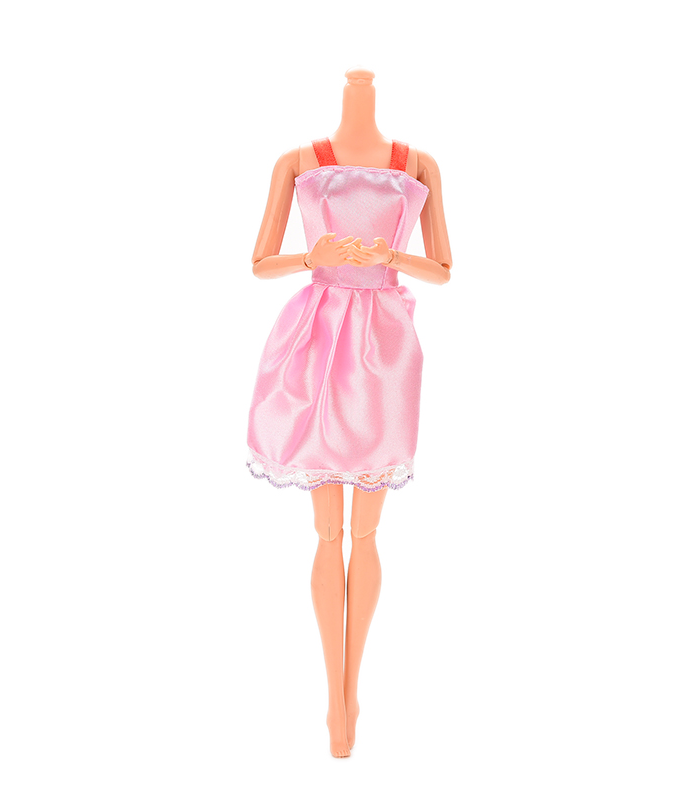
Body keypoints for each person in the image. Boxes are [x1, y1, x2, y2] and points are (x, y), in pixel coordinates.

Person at [247, 67, 452, 757]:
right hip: (316, 334)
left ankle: (349, 691)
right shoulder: (299, 161)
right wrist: (314, 256)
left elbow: (444, 267)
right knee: (326, 531)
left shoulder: (417, 164)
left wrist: (393, 255)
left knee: (365, 532)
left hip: (384, 347)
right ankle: (334, 698)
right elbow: (259, 261)